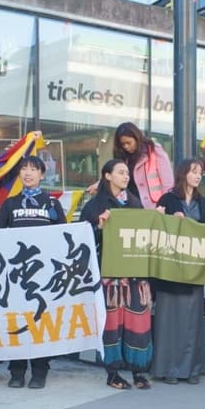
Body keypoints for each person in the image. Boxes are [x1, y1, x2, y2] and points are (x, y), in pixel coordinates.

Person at [0, 155, 65, 389]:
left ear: (42, 175)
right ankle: (17, 371)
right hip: (16, 276)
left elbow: (64, 237)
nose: (28, 173)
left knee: (41, 323)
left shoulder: (52, 204)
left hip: (44, 276)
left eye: (33, 169)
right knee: (17, 322)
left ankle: (40, 371)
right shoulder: (11, 203)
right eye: (24, 168)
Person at [81, 158, 153, 390]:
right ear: (107, 175)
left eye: (127, 173)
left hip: (134, 275)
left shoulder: (135, 203)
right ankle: (112, 373)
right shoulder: (94, 206)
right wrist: (99, 229)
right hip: (108, 275)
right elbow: (81, 242)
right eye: (121, 172)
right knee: (111, 326)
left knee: (137, 323)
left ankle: (138, 370)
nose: (126, 176)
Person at [152, 158, 205, 384]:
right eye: (193, 171)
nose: (197, 176)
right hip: (170, 269)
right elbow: (155, 229)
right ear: (183, 173)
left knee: (191, 323)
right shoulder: (167, 199)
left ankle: (190, 369)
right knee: (168, 322)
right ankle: (168, 369)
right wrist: (166, 218)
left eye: (200, 172)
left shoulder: (203, 203)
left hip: (194, 270)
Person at [114, 122, 173, 207]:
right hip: (130, 205)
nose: (126, 147)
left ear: (137, 138)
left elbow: (167, 182)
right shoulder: (123, 157)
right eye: (123, 144)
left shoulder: (154, 150)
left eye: (129, 143)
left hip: (154, 206)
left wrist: (165, 205)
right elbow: (113, 175)